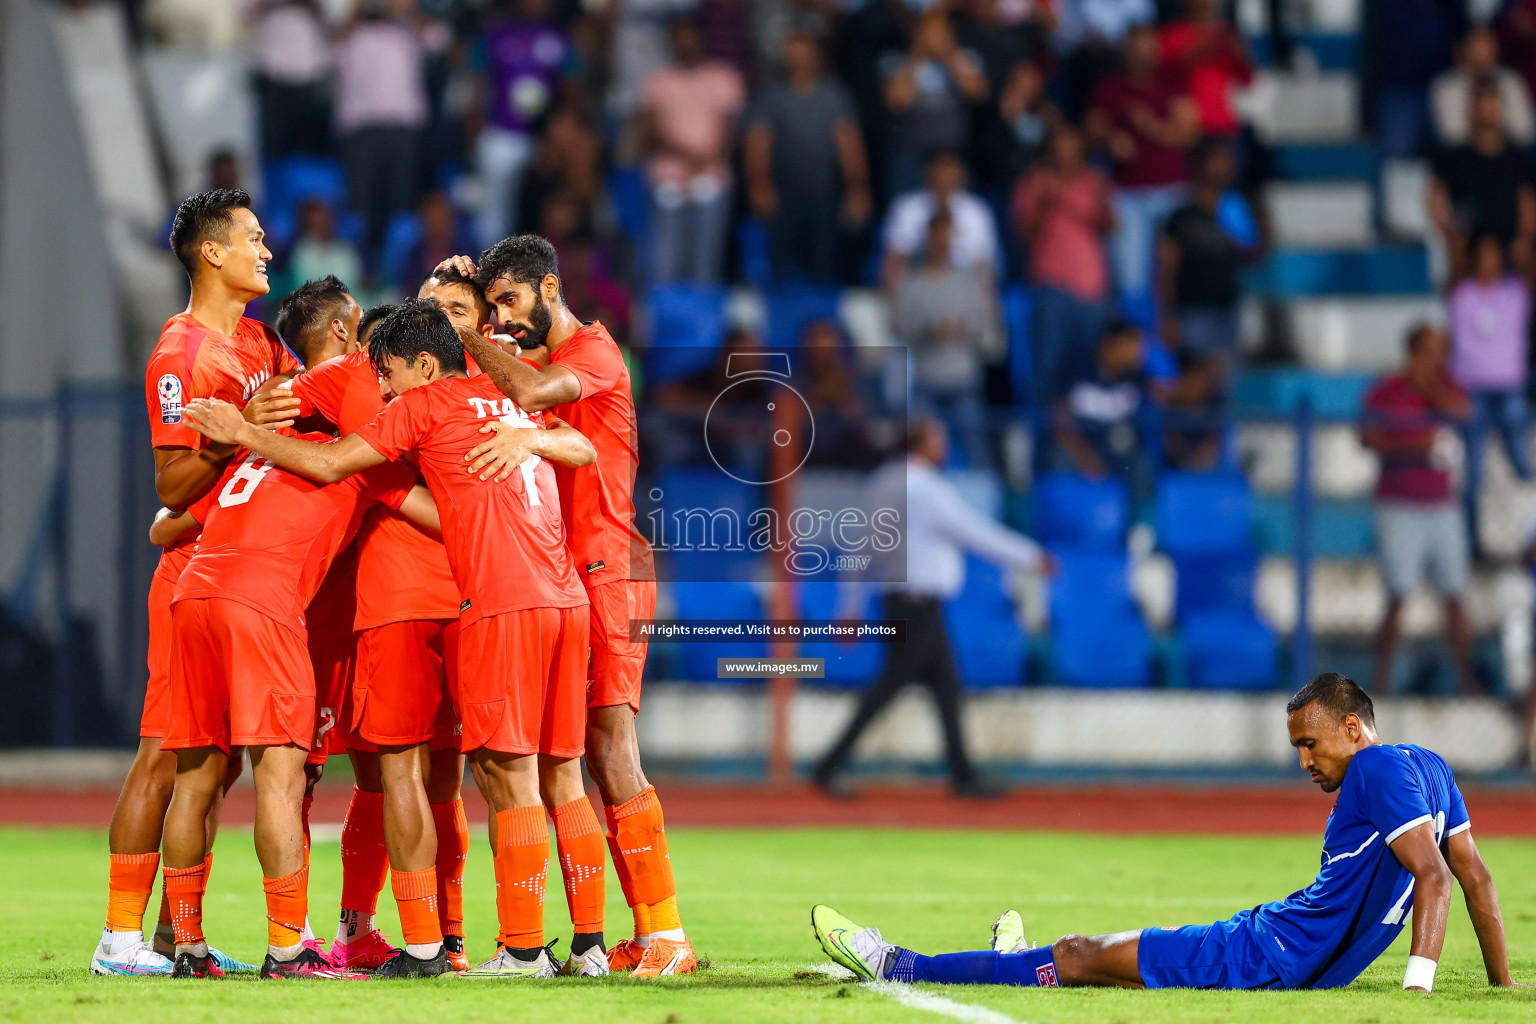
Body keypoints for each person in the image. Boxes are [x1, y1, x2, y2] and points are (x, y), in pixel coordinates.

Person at [181, 300, 605, 979]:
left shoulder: (419, 403)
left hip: (494, 602)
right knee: (560, 773)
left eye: (390, 371)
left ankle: (513, 950)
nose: (381, 386)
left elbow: (331, 464)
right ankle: (587, 946)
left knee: (497, 773)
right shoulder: (503, 391)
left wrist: (241, 429)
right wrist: (535, 439)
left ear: (424, 362)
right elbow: (584, 446)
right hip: (565, 596)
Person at [815, 673, 1522, 994]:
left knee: (1078, 954)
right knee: (1084, 961)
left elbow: (1434, 877)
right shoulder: (1431, 768)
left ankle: (899, 965)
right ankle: (1014, 965)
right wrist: (1500, 986)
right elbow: (1476, 878)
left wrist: (1419, 992)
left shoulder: (1372, 768)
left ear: (1353, 726)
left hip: (1264, 954)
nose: (1305, 762)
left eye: (1311, 744)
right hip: (1286, 948)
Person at [436, 237, 691, 977]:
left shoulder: (596, 355)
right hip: (562, 579)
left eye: (511, 301)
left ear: (550, 287)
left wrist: (465, 332)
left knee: (612, 751)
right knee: (570, 763)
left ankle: (669, 934)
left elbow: (532, 396)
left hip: (609, 568)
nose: (503, 319)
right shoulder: (541, 355)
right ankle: (631, 935)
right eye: (494, 307)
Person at [89, 188, 298, 978]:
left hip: (236, 571)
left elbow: (297, 410)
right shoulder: (183, 353)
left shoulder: (260, 342)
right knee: (162, 757)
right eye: (253, 237)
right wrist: (240, 431)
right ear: (213, 252)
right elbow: (173, 482)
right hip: (190, 575)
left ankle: (182, 939)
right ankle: (119, 939)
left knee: (212, 766)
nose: (266, 250)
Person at [153, 430, 437, 980]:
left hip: (192, 596)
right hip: (263, 603)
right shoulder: (349, 458)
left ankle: (185, 947)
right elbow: (448, 518)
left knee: (194, 781)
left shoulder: (257, 456)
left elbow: (165, 526)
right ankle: (288, 952)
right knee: (280, 782)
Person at [811, 419, 1051, 798]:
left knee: (945, 687)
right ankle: (829, 765)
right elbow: (975, 532)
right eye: (938, 437)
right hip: (918, 604)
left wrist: (851, 604)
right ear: (919, 444)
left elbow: (858, 551)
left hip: (897, 600)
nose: (944, 443)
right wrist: (1030, 556)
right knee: (892, 686)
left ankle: (962, 775)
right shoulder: (925, 489)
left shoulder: (880, 483)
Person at [1360, 324, 1476, 696]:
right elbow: (1368, 438)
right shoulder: (1386, 391)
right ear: (1412, 352)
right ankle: (1381, 682)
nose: (1436, 358)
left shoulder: (1446, 388)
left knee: (1455, 597)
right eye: (1429, 350)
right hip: (1399, 505)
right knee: (1397, 596)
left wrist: (1430, 391)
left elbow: (1464, 412)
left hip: (1442, 505)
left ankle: (1467, 679)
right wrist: (1416, 448)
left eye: (1441, 350)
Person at [744, 30, 874, 283]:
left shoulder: (834, 95)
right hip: (783, 195)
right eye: (794, 54)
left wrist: (857, 188)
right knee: (783, 268)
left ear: (816, 57)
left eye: (805, 54)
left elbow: (849, 144)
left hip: (825, 195)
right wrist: (759, 185)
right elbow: (758, 143)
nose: (799, 60)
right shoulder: (772, 96)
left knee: (825, 265)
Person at [1087, 22, 1200, 305]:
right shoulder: (1111, 88)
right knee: (1130, 276)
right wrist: (1110, 138)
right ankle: (1136, 335)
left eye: (1148, 48)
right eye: (1137, 48)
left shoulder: (1171, 83)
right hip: (1129, 194)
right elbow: (1092, 129)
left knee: (1176, 272)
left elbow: (1188, 132)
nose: (1143, 55)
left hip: (1172, 191)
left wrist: (1151, 127)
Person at [634, 15, 746, 285]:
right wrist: (688, 153)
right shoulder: (659, 81)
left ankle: (702, 320)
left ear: (701, 39)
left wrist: (708, 157)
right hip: (669, 177)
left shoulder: (722, 77)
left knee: (706, 261)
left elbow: (730, 128)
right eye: (678, 38)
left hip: (711, 174)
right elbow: (649, 129)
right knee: (665, 260)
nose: (684, 44)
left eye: (689, 37)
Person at [1013, 122, 1115, 408]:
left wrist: (1102, 199)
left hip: (1091, 290)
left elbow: (1109, 227)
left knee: (1090, 377)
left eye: (1071, 146)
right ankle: (1048, 448)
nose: (1065, 153)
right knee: (1048, 375)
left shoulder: (1093, 182)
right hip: (1052, 288)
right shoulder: (1033, 182)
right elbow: (1024, 236)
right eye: (1059, 146)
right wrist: (1043, 203)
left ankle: (1086, 446)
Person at [893, 211, 997, 468]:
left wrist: (959, 329)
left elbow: (982, 323)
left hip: (963, 381)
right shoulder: (911, 283)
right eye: (937, 236)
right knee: (918, 453)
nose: (942, 242)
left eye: (947, 236)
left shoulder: (969, 282)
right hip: (925, 382)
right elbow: (900, 327)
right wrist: (929, 331)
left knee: (977, 449)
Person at [1450, 232, 1533, 549]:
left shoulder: (1515, 293)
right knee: (1473, 473)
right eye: (1482, 254)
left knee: (1524, 469)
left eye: (1494, 254)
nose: (1489, 260)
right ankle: (1471, 542)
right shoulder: (1463, 294)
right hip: (1473, 391)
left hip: (1510, 388)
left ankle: (1530, 539)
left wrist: (1526, 239)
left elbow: (1529, 271)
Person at [1158, 138, 1260, 376]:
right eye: (1218, 159)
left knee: (1224, 387)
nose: (1225, 165)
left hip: (1228, 313)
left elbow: (1253, 255)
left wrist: (1261, 232)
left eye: (1227, 159)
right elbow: (1166, 268)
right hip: (1192, 315)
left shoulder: (1236, 209)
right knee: (1194, 385)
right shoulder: (1181, 216)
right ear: (1201, 164)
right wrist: (1167, 316)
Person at [473, 0, 570, 248]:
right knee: (494, 211)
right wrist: (475, 127)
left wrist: (558, 133)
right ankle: (489, 266)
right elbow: (476, 82)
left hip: (544, 139)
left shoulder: (558, 37)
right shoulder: (496, 34)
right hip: (501, 133)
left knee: (543, 206)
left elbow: (574, 87)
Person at [1429, 81, 1536, 274]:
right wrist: (1450, 236)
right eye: (1482, 107)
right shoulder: (1454, 158)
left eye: (1492, 107)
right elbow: (1436, 200)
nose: (1487, 115)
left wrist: (1524, 240)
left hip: (1510, 254)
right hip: (1466, 255)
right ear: (1471, 111)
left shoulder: (1519, 157)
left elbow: (1527, 202)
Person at [879, 10, 989, 195]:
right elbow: (895, 101)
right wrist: (917, 54)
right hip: (913, 155)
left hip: (953, 153)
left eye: (940, 30)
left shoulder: (966, 58)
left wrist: (948, 53)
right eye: (929, 31)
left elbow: (977, 93)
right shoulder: (899, 60)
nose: (934, 36)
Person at [1050, 320, 1151, 484]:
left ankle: (1140, 509)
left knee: (1141, 465)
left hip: (1117, 452)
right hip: (1080, 449)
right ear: (1109, 345)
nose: (1137, 352)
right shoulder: (1076, 370)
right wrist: (1085, 459)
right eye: (1129, 345)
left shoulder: (1137, 379)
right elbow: (1060, 422)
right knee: (1059, 459)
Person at [883, 150, 1001, 287]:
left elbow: (984, 267)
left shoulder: (977, 212)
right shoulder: (907, 208)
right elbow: (894, 262)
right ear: (928, 174)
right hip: (918, 284)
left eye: (950, 172)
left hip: (963, 289)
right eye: (940, 171)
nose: (944, 178)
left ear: (962, 176)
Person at [1431, 25, 1536, 148]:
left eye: (1488, 49)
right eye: (1477, 50)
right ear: (1462, 50)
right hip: (1463, 159)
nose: (1483, 56)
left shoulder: (1510, 80)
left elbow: (1526, 132)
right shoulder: (1446, 86)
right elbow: (1451, 135)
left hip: (1510, 156)